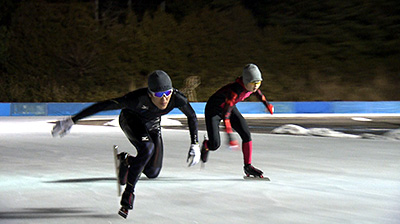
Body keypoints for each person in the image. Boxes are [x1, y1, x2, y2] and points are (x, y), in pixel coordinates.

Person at [51, 70, 200, 218]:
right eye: (159, 95)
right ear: (150, 94)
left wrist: (195, 144)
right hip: (131, 121)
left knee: (152, 172)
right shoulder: (136, 99)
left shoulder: (177, 97)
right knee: (147, 148)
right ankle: (129, 192)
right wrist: (73, 119)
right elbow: (104, 105)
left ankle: (126, 160)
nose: (164, 99)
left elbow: (192, 116)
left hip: (153, 124)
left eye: (167, 93)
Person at [199, 63, 274, 178]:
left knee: (246, 134)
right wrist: (230, 138)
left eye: (258, 83)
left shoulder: (252, 87)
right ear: (245, 82)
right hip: (214, 110)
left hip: (229, 108)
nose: (255, 86)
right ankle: (206, 145)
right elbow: (226, 116)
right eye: (252, 83)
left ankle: (248, 166)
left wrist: (267, 104)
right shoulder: (235, 91)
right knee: (215, 144)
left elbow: (259, 94)